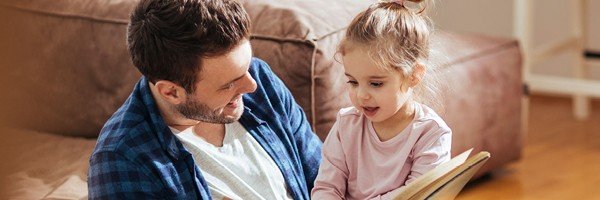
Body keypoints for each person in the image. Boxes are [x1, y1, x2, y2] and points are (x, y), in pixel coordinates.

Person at [87, 0, 322, 199]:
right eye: (228, 84)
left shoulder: (260, 79)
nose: (252, 86)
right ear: (171, 92)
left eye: (247, 66)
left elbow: (324, 177)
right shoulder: (123, 159)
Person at [311, 0, 452, 199]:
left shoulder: (431, 134)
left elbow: (416, 195)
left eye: (376, 84)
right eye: (353, 82)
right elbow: (326, 188)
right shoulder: (346, 125)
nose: (361, 95)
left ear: (414, 75)